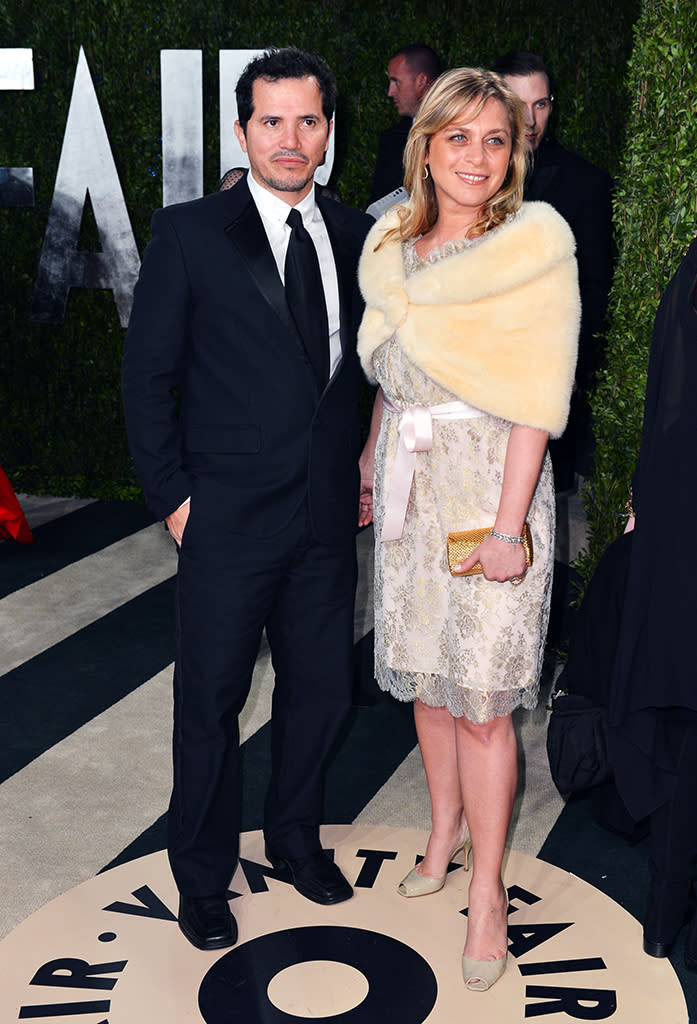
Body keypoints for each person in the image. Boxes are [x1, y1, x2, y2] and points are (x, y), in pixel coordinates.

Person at [122, 47, 372, 952]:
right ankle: (201, 875)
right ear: (242, 130)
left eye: (309, 121)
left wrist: (367, 464)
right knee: (210, 705)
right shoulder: (189, 232)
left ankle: (297, 842)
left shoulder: (357, 236)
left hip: (323, 519)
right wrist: (175, 502)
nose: (290, 139)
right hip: (222, 517)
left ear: (329, 132)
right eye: (272, 121)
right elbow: (147, 379)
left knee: (318, 695)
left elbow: (361, 374)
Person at [357, 67, 579, 991]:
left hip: (493, 486)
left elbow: (536, 397)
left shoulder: (533, 246)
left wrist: (509, 529)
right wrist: (371, 458)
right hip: (412, 487)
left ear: (515, 151)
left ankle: (486, 891)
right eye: (458, 137)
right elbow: (386, 363)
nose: (477, 158)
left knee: (485, 704)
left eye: (497, 139)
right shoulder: (390, 243)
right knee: (430, 682)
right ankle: (441, 832)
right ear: (426, 145)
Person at [608, 239, 697, 966]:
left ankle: (664, 912)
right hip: (677, 517)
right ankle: (667, 908)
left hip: (677, 516)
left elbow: (664, 404)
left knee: (675, 719)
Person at [492, 50, 613, 491]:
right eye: (516, 103)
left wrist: (573, 374)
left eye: (540, 104)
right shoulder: (462, 173)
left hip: (545, 382)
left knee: (536, 511)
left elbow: (594, 288)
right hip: (469, 379)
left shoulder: (586, 183)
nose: (529, 120)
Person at [367, 44, 442, 205]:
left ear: (422, 81)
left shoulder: (459, 132)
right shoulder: (391, 139)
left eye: (396, 82)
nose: (390, 92)